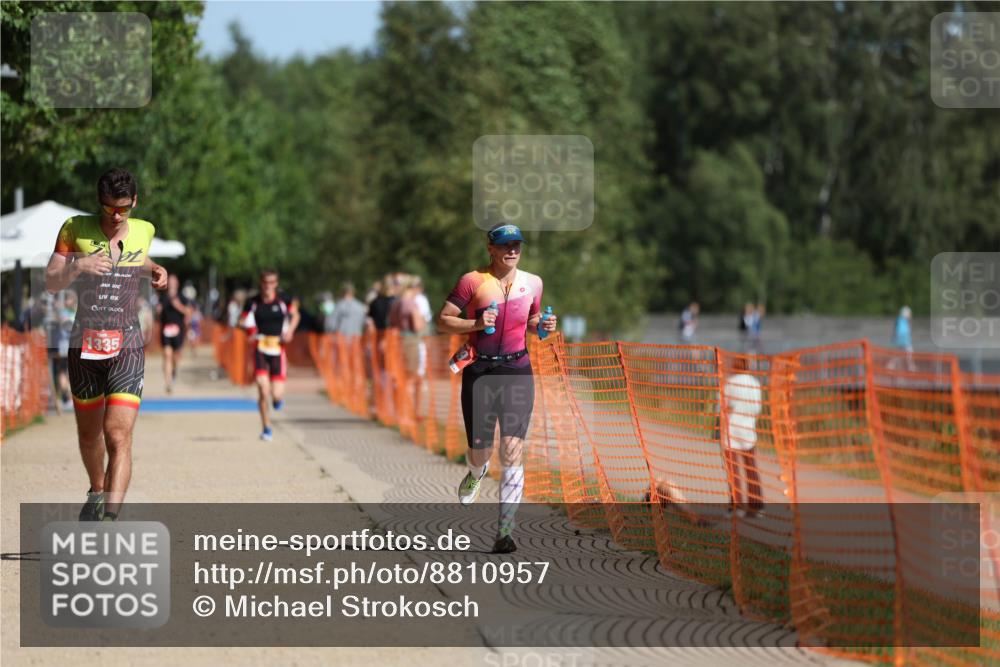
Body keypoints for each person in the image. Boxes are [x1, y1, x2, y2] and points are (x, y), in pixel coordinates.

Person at [44, 168, 168, 522]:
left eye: (124, 209)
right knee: (89, 436)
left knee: (117, 434)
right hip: (84, 345)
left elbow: (136, 258)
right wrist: (78, 266)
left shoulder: (145, 230)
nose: (116, 216)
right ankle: (96, 491)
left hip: (127, 343)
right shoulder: (74, 228)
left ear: (135, 203)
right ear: (99, 202)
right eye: (110, 208)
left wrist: (156, 269)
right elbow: (51, 281)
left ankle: (110, 520)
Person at [437, 223, 557, 554]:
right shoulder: (473, 280)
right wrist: (475, 324)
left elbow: (531, 322)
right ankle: (476, 472)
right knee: (481, 449)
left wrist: (543, 326)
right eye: (505, 245)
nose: (512, 250)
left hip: (517, 369)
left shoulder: (533, 283)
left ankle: (505, 531)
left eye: (517, 244)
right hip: (480, 369)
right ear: (491, 249)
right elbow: (443, 319)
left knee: (512, 449)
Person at [240, 268, 300, 441]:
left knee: (276, 394)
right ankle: (266, 428)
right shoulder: (253, 301)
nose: (268, 286)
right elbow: (241, 320)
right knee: (263, 390)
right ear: (261, 283)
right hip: (260, 347)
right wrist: (248, 329)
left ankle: (277, 399)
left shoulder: (284, 300)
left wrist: (290, 332)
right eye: (266, 282)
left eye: (272, 282)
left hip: (278, 349)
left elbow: (296, 315)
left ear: (276, 283)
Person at [721, 357, 763, 518]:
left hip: (731, 429)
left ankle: (736, 506)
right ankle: (756, 507)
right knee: (751, 468)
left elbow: (723, 406)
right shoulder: (755, 383)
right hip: (748, 429)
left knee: (733, 470)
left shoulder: (730, 383)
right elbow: (758, 408)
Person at [157, 274, 193, 393]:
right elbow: (158, 314)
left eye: (174, 281)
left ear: (177, 284)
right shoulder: (163, 297)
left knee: (175, 357)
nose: (172, 283)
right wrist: (158, 311)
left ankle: (173, 371)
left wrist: (178, 306)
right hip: (166, 330)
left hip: (178, 330)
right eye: (170, 281)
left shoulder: (182, 297)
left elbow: (189, 312)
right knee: (167, 354)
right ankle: (168, 383)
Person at [890, 305, 916, 372]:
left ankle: (891, 365)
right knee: (909, 352)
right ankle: (911, 367)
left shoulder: (899, 319)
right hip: (904, 339)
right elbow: (907, 330)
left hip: (901, 338)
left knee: (899, 352)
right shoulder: (904, 320)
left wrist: (894, 337)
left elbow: (896, 330)